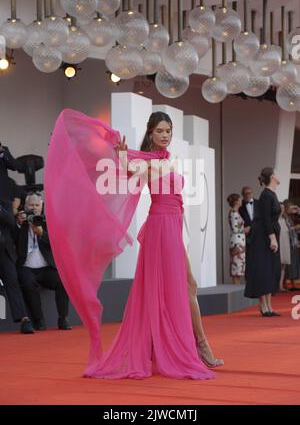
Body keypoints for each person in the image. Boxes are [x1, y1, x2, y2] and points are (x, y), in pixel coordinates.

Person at [45, 108, 223, 380]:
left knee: (184, 286)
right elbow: (129, 168)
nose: (165, 135)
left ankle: (184, 345)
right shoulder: (147, 162)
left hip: (173, 228)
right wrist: (123, 155)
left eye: (168, 131)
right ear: (151, 134)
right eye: (160, 131)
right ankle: (201, 346)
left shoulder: (165, 160)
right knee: (182, 286)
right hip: (160, 228)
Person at [16, 192, 71, 331]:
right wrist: (18, 223)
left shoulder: (49, 222)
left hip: (46, 268)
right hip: (26, 267)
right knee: (28, 284)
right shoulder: (20, 222)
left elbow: (58, 243)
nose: (34, 208)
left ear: (42, 207)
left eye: (37, 205)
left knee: (63, 281)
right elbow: (13, 240)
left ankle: (63, 318)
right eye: (31, 205)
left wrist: (41, 233)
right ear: (25, 206)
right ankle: (39, 320)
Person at [244, 167, 281, 316]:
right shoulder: (266, 195)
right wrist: (272, 237)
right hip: (263, 238)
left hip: (269, 235)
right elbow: (265, 218)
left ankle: (269, 306)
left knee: (270, 270)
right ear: (272, 177)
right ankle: (263, 306)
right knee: (263, 270)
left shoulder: (270, 194)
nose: (278, 176)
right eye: (276, 173)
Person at [0, 199, 34, 333]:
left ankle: (24, 320)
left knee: (12, 282)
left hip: (4, 253)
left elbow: (11, 223)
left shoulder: (4, 204)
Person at [227, 193, 246, 284]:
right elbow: (235, 228)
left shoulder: (235, 212)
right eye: (240, 199)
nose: (241, 200)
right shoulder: (233, 213)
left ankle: (236, 287)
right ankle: (235, 287)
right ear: (237, 201)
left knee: (238, 267)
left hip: (239, 241)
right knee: (236, 267)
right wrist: (244, 229)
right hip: (237, 243)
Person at [278, 203, 291, 292]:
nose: (281, 210)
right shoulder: (274, 220)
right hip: (278, 244)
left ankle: (280, 285)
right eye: (280, 208)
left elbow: (291, 229)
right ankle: (275, 286)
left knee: (283, 265)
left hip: (285, 244)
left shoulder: (286, 219)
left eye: (283, 208)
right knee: (276, 266)